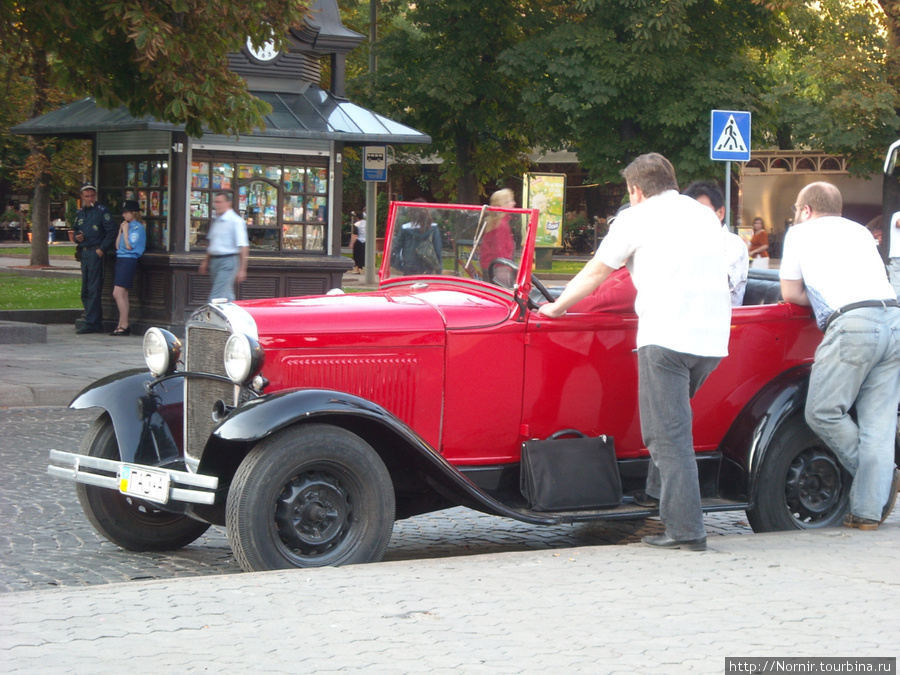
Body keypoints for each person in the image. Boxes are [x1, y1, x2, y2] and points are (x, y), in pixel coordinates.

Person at [538, 153, 731, 551]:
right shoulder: (703, 215)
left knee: (666, 436)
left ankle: (686, 530)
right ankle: (656, 497)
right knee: (672, 421)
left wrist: (556, 307)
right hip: (712, 340)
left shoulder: (637, 217)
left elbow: (597, 270)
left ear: (636, 190)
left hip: (667, 337)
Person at [780, 181, 900, 530]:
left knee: (822, 410)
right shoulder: (861, 233)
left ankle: (876, 479)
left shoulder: (800, 234)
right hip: (893, 319)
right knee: (878, 424)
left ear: (805, 210)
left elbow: (791, 292)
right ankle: (867, 512)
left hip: (853, 324)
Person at [683, 181, 749, 306]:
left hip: (726, 321)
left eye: (702, 212)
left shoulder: (733, 244)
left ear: (721, 213)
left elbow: (714, 285)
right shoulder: (687, 243)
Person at [73, 183, 116, 334]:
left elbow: (111, 231)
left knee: (93, 288)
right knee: (85, 289)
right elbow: (76, 231)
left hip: (95, 252)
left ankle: (92, 322)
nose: (90, 199)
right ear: (82, 197)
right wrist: (77, 238)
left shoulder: (101, 211)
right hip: (84, 252)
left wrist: (101, 249)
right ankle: (93, 319)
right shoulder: (81, 213)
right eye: (87, 196)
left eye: (92, 196)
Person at [199, 192, 249, 302]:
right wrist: (206, 261)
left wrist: (242, 269)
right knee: (226, 294)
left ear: (228, 203)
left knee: (216, 296)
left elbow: (243, 246)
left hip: (229, 261)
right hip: (215, 261)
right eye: (215, 202)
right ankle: (233, 316)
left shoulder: (235, 221)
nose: (216, 205)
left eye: (219, 202)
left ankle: (210, 317)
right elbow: (212, 243)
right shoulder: (217, 221)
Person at [110, 200, 146, 336]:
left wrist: (125, 232)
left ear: (133, 213)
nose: (124, 215)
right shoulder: (126, 226)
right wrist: (120, 231)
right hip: (121, 258)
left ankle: (124, 324)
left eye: (126, 212)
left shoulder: (137, 228)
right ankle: (121, 323)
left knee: (117, 292)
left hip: (129, 259)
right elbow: (118, 246)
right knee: (122, 293)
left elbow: (130, 245)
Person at [390, 200, 442, 275]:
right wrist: (439, 270)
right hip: (428, 266)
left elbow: (395, 249)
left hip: (409, 267)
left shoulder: (405, 228)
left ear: (411, 214)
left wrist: (400, 266)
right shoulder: (433, 228)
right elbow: (438, 250)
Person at [480, 189, 517, 284]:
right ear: (502, 205)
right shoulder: (502, 225)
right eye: (510, 201)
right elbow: (501, 251)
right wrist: (509, 267)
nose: (514, 203)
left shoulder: (493, 223)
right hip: (500, 268)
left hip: (490, 266)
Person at [889, 210, 900, 298]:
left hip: (897, 257)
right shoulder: (897, 215)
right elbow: (898, 223)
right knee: (897, 285)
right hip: (897, 256)